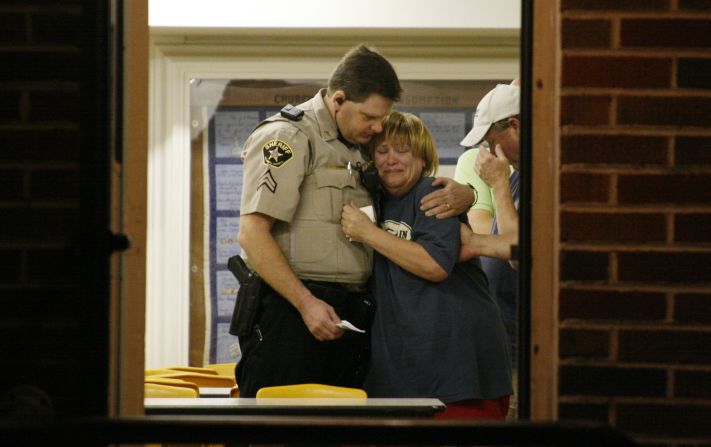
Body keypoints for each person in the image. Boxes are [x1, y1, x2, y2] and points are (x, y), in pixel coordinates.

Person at [235, 45, 472, 397]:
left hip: (351, 314)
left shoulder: (360, 141)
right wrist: (305, 304)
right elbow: (252, 233)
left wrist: (468, 193)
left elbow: (403, 191)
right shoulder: (288, 137)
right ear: (339, 100)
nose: (378, 127)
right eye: (369, 117)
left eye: (382, 117)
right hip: (295, 312)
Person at [340, 111, 512, 420]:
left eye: (402, 150)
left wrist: (369, 233)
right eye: (382, 151)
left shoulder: (435, 193)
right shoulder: (372, 199)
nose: (391, 159)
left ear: (422, 158)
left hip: (459, 371)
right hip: (402, 370)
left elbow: (434, 264)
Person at [459, 82, 521, 419]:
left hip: (525, 352)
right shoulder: (515, 177)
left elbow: (515, 252)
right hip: (506, 346)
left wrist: (496, 183)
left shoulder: (525, 178)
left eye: (490, 140)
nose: (487, 150)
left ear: (513, 125)